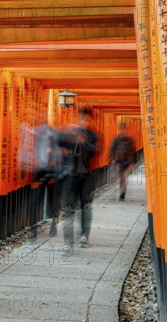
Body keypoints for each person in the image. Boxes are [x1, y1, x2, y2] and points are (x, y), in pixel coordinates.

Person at [57, 108, 98, 252]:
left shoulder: (92, 135)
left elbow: (94, 152)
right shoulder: (71, 133)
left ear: (90, 121)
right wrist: (68, 133)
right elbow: (59, 141)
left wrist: (83, 141)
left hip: (86, 175)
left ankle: (84, 235)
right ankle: (68, 243)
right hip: (70, 176)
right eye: (81, 119)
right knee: (68, 209)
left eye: (86, 119)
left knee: (85, 207)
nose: (83, 122)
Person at [109, 122, 136, 201]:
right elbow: (112, 149)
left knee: (124, 177)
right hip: (119, 161)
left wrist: (133, 162)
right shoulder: (116, 139)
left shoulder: (129, 139)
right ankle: (122, 191)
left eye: (123, 129)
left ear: (125, 129)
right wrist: (113, 159)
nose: (121, 131)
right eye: (120, 129)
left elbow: (133, 151)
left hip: (128, 162)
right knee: (121, 178)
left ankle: (122, 193)